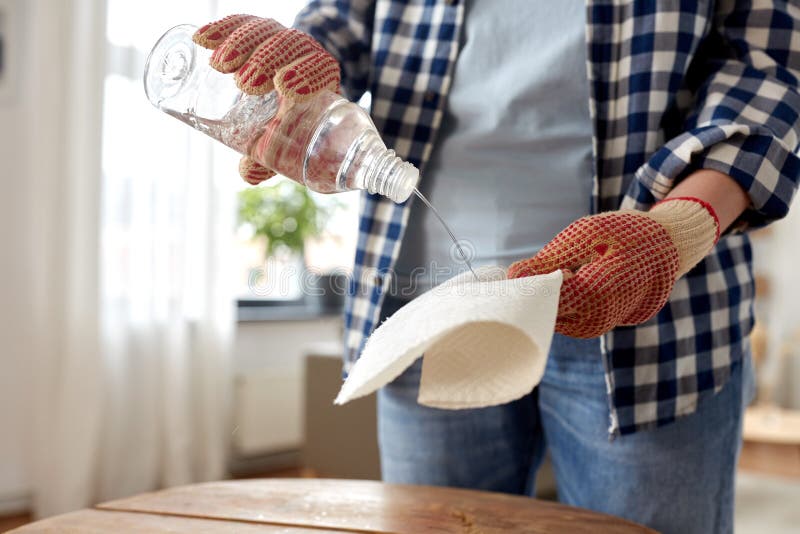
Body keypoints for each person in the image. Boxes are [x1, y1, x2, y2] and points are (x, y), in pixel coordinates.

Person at [193, 2, 800, 532]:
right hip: (426, 313)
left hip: (653, 312)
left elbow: (768, 76)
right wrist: (296, 68)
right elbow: (339, 26)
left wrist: (676, 231)